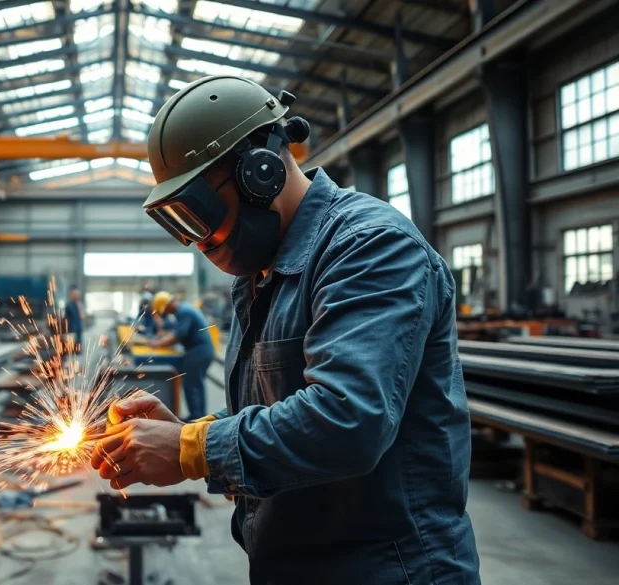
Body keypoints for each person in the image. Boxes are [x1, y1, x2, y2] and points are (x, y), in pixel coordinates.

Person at [90, 76, 479, 584]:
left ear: (261, 172)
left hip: (388, 571)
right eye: (180, 224)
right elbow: (282, 406)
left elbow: (348, 421)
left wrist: (192, 450)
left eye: (199, 215)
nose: (200, 242)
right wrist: (192, 431)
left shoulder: (369, 247)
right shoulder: (265, 272)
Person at [146, 291, 214, 421]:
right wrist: (160, 337)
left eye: (165, 310)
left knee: (193, 385)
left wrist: (157, 344)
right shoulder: (183, 310)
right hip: (199, 351)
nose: (166, 313)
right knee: (195, 385)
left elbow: (178, 335)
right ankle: (198, 416)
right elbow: (172, 330)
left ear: (167, 306)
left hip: (198, 352)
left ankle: (197, 419)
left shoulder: (184, 312)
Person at [63, 285, 84, 354]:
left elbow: (81, 315)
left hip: (78, 325)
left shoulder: (78, 304)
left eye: (78, 295)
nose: (78, 296)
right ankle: (70, 351)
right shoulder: (69, 305)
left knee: (78, 339)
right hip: (71, 326)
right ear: (72, 295)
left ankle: (77, 350)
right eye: (76, 295)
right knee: (71, 340)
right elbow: (67, 316)